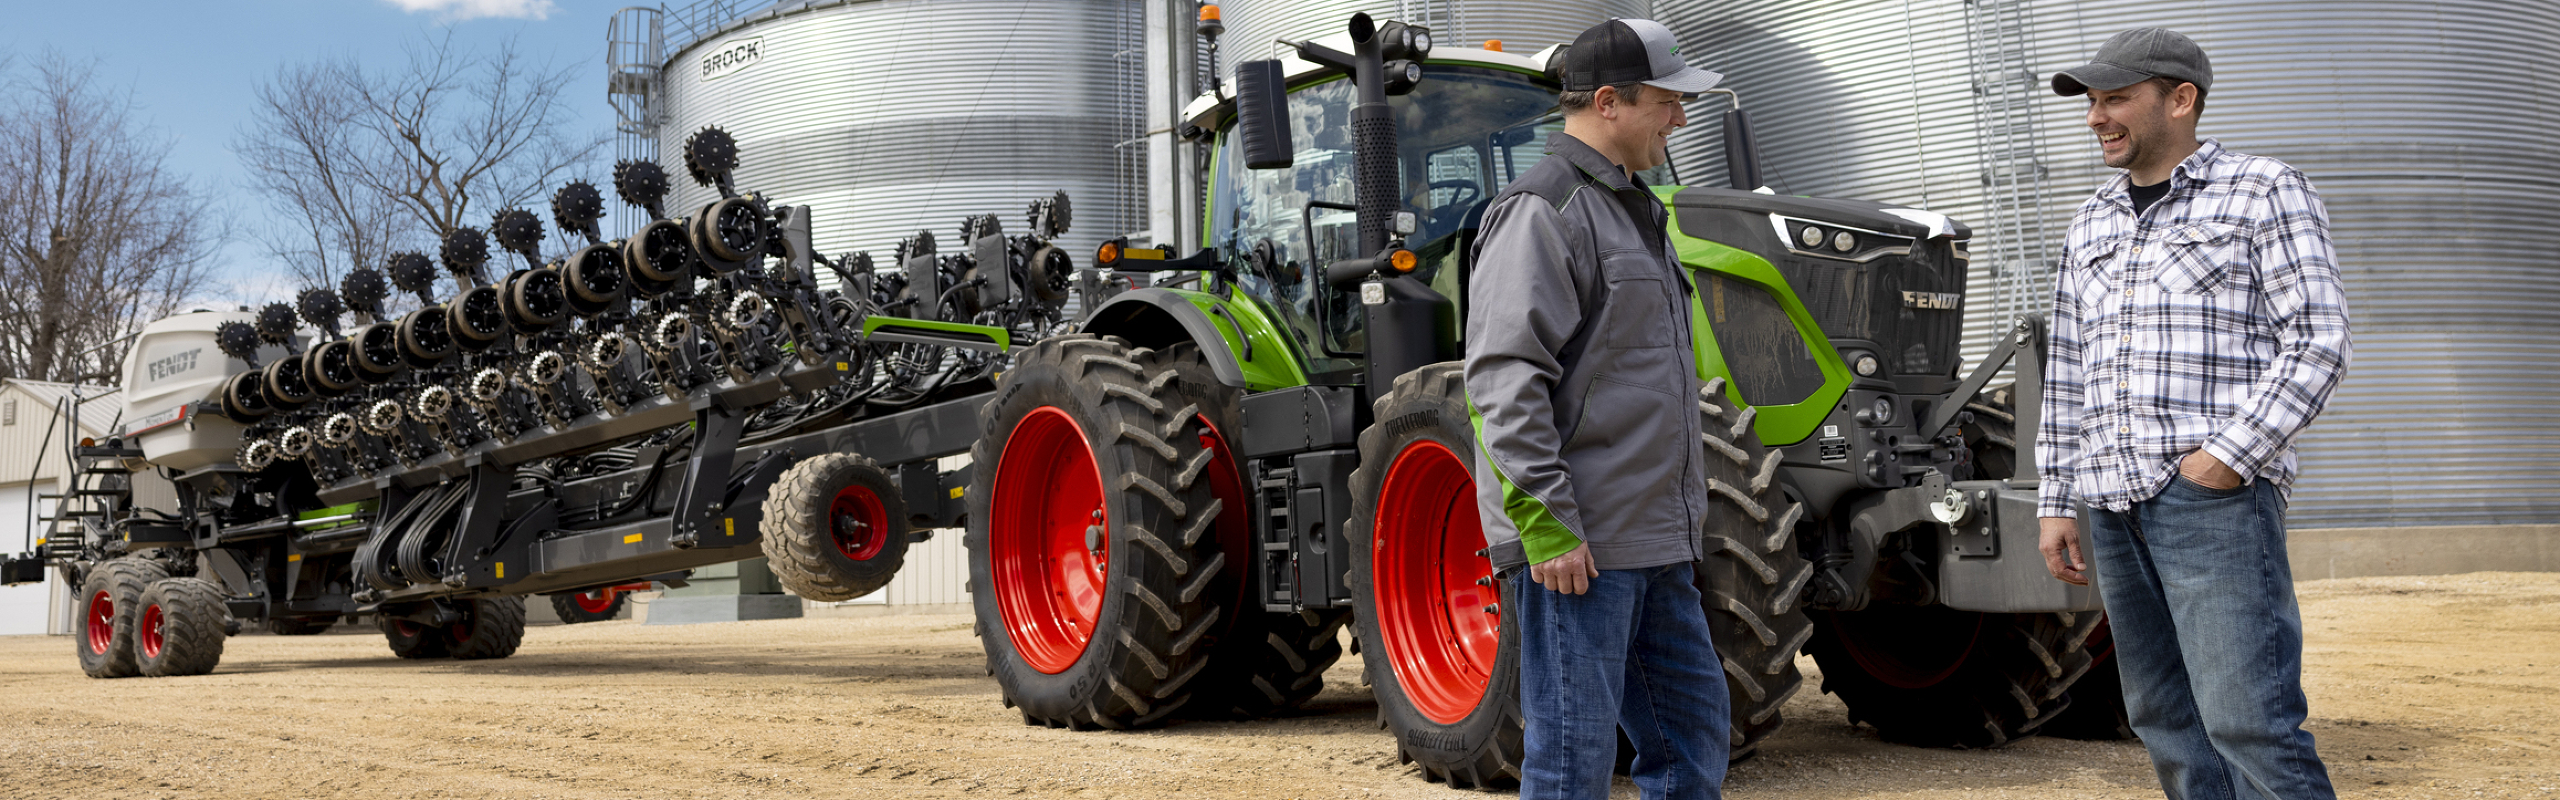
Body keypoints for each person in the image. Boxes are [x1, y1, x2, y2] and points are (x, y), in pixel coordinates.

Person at [2035, 27, 2351, 800]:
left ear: (2181, 100)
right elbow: (2068, 371)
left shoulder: (2262, 189)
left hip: (2212, 500)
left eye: (2114, 99)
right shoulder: (2092, 222)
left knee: (2251, 723)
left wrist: (2222, 462)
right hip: (2110, 501)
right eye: (2091, 102)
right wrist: (2055, 500)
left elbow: (2318, 341)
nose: (2096, 118)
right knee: (2164, 719)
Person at [1464, 17, 1728, 800]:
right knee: (1572, 762)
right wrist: (1547, 526)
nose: (1679, 118)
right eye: (1667, 102)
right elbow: (1504, 382)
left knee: (1691, 742)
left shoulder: (1637, 208)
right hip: (1580, 546)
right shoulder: (1544, 210)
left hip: (1654, 541)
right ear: (1609, 102)